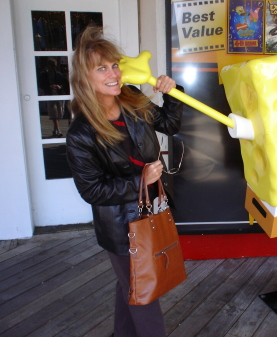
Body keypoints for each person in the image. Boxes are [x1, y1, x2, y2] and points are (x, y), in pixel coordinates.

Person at [66, 26, 183, 337]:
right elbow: (92, 190)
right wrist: (139, 180)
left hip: (151, 211)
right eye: (102, 68)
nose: (113, 73)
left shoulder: (132, 99)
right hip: (121, 226)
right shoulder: (81, 133)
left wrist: (171, 93)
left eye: (115, 65)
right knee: (144, 291)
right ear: (84, 78)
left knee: (129, 284)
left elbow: (169, 124)